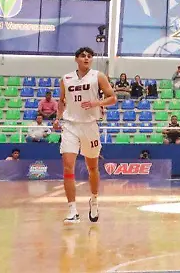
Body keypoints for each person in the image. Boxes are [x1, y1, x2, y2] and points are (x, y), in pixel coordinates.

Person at [59, 46, 117, 225]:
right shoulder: (66, 79)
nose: (86, 58)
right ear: (76, 59)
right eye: (83, 56)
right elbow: (61, 101)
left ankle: (94, 199)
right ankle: (72, 210)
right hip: (70, 125)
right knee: (68, 167)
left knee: (92, 167)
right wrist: (58, 118)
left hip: (90, 125)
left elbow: (112, 98)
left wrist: (96, 103)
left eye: (89, 56)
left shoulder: (98, 76)